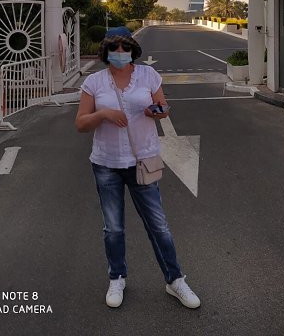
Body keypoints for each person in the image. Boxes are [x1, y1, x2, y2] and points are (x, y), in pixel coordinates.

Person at [75, 26, 200, 309]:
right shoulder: (94, 82)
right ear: (106, 51)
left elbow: (163, 107)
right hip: (106, 164)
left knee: (159, 226)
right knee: (113, 228)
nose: (120, 53)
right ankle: (117, 277)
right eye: (114, 48)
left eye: (125, 47)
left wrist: (155, 111)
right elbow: (81, 123)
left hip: (142, 160)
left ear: (133, 50)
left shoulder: (148, 75)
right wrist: (103, 114)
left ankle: (175, 280)